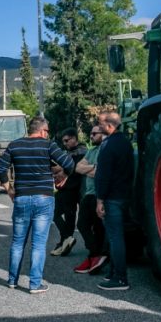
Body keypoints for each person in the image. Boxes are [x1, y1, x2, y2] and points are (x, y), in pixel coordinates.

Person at [0, 117, 74, 294]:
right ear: (43, 131)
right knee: (38, 244)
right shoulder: (48, 145)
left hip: (22, 198)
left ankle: (12, 280)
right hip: (44, 198)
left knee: (17, 242)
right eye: (47, 132)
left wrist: (9, 190)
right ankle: (34, 284)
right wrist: (63, 175)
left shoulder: (15, 145)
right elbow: (69, 163)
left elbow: (0, 168)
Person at [95, 111, 135, 290]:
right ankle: (113, 272)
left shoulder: (108, 145)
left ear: (109, 125)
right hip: (124, 195)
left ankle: (120, 278)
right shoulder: (126, 143)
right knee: (116, 236)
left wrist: (100, 200)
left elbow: (103, 175)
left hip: (111, 197)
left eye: (101, 123)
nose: (99, 126)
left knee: (115, 237)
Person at [73, 125, 108, 275]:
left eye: (94, 133)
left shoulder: (105, 150)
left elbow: (101, 173)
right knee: (83, 224)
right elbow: (77, 168)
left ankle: (95, 256)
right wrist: (93, 167)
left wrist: (88, 169)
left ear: (103, 134)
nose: (91, 136)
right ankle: (95, 255)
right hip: (89, 194)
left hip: (98, 194)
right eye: (91, 133)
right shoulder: (91, 150)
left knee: (97, 227)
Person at [50, 128, 86, 257]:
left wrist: (61, 169)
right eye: (63, 141)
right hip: (66, 189)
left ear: (75, 138)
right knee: (57, 213)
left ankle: (65, 241)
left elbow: (71, 168)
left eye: (67, 140)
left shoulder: (81, 151)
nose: (65, 143)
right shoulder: (69, 152)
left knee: (67, 217)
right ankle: (65, 240)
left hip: (73, 189)